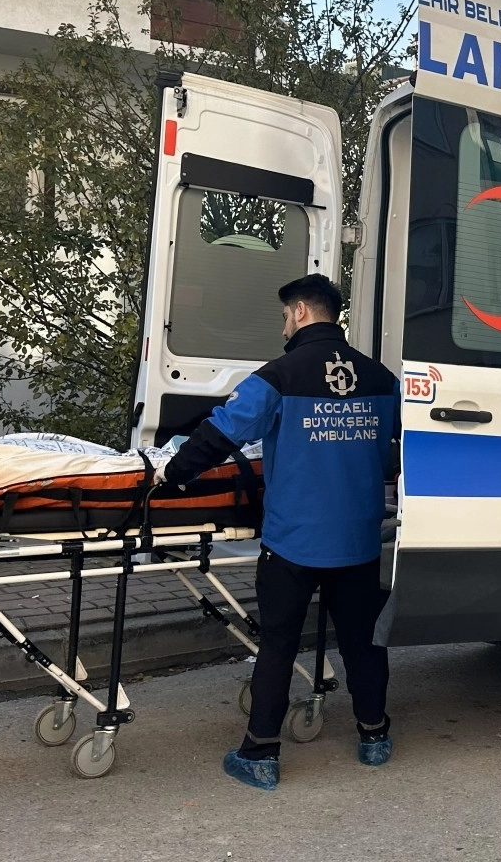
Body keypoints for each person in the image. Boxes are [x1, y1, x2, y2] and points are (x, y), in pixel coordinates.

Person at [158, 273, 399, 791]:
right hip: (358, 541)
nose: (284, 326)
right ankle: (374, 736)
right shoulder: (382, 380)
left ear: (301, 312)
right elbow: (399, 448)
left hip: (293, 543)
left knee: (279, 645)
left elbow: (221, 431)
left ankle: (260, 754)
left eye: (285, 316)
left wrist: (172, 475)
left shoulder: (279, 376)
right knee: (362, 641)